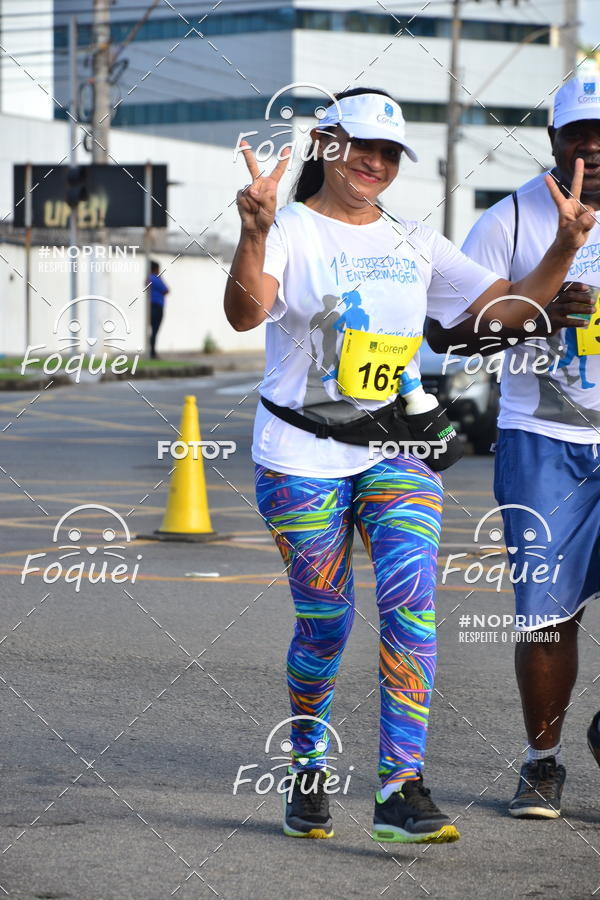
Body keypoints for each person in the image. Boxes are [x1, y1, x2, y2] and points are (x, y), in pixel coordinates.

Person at [224, 86, 594, 843]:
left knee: (412, 610)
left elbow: (506, 312)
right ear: (326, 146)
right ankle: (307, 765)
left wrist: (562, 247)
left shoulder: (416, 240)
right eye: (362, 146)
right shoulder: (290, 228)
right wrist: (254, 233)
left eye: (390, 152)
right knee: (325, 626)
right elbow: (244, 312)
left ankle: (400, 787)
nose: (375, 162)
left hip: (396, 451)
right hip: (300, 455)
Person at [426, 73, 600, 820]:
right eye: (579, 133)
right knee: (546, 613)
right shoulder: (511, 218)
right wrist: (539, 314)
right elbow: (444, 334)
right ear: (554, 139)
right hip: (544, 441)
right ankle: (543, 761)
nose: (593, 146)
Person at [148, 260, 169, 358]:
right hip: (158, 306)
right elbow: (166, 290)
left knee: (153, 329)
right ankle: (152, 351)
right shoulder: (156, 279)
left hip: (151, 305)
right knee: (155, 329)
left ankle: (151, 349)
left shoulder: (149, 278)